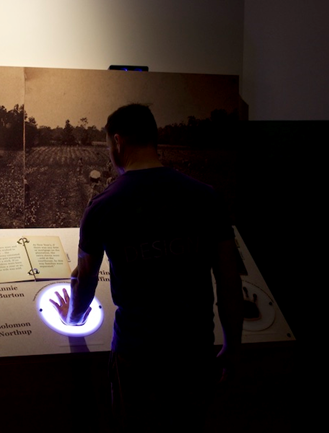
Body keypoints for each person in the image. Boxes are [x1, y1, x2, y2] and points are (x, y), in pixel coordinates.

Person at [50, 104, 243, 432]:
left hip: (137, 357)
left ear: (118, 141)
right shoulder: (207, 198)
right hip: (194, 353)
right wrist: (232, 345)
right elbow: (228, 279)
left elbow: (85, 280)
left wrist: (74, 316)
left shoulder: (102, 206)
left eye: (109, 145)